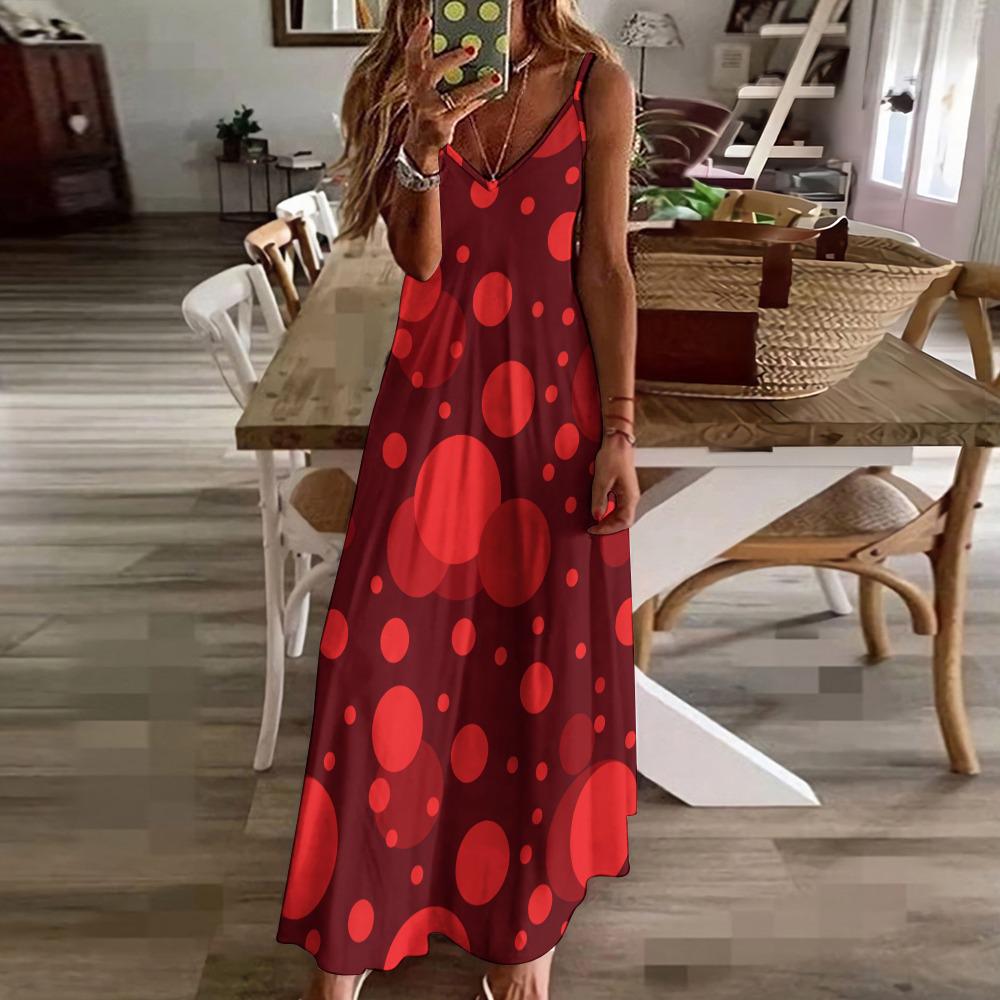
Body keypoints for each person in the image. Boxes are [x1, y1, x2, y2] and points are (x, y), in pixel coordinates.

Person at [277, 2, 640, 998]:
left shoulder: (594, 84)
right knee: (379, 660)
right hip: (429, 401)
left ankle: (521, 940)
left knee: (536, 663)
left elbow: (605, 265)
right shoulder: (406, 81)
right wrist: (422, 145)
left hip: (553, 410)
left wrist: (618, 429)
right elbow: (422, 261)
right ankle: (352, 931)